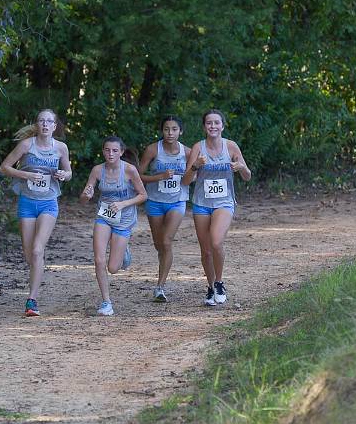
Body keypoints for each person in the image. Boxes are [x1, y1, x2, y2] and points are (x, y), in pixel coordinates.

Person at [0, 109, 72, 316]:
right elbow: (4, 167)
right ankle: (37, 270)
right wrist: (27, 175)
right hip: (27, 203)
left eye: (49, 121)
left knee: (38, 250)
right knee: (30, 254)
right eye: (41, 121)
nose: (45, 125)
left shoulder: (61, 148)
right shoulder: (26, 145)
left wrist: (62, 174)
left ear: (55, 126)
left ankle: (32, 300)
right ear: (37, 124)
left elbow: (69, 173)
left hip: (49, 203)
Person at [182, 110, 251, 306]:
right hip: (201, 203)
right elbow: (186, 181)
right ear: (204, 127)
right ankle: (211, 287)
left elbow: (247, 176)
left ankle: (220, 283)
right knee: (206, 251)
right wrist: (195, 166)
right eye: (209, 123)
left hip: (224, 202)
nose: (213, 126)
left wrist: (241, 168)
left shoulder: (231, 146)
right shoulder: (198, 147)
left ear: (223, 126)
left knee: (216, 241)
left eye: (216, 123)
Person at [80, 136, 147, 316]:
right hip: (104, 217)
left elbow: (143, 195)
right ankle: (106, 302)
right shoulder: (97, 170)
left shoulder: (130, 170)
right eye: (107, 150)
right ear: (103, 151)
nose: (110, 154)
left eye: (115, 151)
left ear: (121, 152)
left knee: (113, 268)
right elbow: (84, 199)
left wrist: (123, 204)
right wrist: (87, 194)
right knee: (99, 260)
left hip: (124, 219)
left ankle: (124, 252)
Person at [138, 116, 191, 302]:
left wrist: (192, 173)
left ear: (180, 132)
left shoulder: (187, 152)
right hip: (154, 201)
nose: (170, 133)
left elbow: (195, 176)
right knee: (159, 244)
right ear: (162, 131)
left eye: (174, 129)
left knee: (167, 241)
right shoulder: (153, 149)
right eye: (167, 129)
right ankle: (162, 268)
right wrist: (159, 177)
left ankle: (160, 287)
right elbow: (138, 176)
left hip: (177, 201)